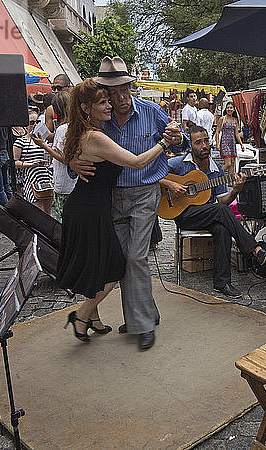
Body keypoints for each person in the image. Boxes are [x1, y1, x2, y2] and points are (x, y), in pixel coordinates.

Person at [70, 56, 185, 350]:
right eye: (112, 93)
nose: (119, 98)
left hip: (145, 192)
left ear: (132, 86)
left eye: (125, 89)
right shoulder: (100, 117)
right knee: (122, 260)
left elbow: (179, 140)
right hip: (110, 198)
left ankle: (142, 324)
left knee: (135, 257)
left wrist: (176, 137)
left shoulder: (151, 111)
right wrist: (73, 161)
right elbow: (75, 142)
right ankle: (142, 315)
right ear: (103, 94)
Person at [162, 125, 266, 298]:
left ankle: (222, 283)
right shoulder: (177, 163)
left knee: (222, 228)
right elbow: (151, 173)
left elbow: (223, 201)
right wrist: (170, 184)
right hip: (183, 214)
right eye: (198, 142)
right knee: (220, 211)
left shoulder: (217, 170)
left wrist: (236, 190)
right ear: (191, 146)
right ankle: (254, 250)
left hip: (210, 214)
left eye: (206, 141)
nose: (204, 145)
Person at [33, 91, 75, 221]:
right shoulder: (73, 126)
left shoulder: (63, 129)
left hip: (65, 185)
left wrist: (44, 146)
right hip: (72, 183)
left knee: (63, 222)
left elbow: (64, 158)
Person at [13, 110, 53, 214]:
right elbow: (14, 162)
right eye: (32, 122)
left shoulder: (46, 140)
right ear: (26, 125)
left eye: (38, 121)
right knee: (37, 212)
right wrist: (31, 164)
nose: (35, 124)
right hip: (32, 179)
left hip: (47, 178)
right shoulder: (20, 141)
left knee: (48, 213)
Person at [216, 101, 244, 175]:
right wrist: (217, 144)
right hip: (224, 142)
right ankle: (216, 175)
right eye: (228, 107)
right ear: (225, 109)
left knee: (232, 163)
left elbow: (236, 133)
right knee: (228, 163)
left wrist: (241, 144)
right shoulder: (222, 119)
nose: (229, 109)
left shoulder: (235, 120)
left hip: (232, 142)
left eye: (231, 108)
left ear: (234, 109)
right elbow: (217, 131)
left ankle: (230, 181)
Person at [44, 74, 73, 141]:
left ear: (68, 86)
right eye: (54, 88)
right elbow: (48, 136)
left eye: (59, 88)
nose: (56, 91)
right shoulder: (50, 109)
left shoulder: (78, 105)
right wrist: (61, 133)